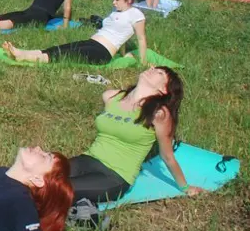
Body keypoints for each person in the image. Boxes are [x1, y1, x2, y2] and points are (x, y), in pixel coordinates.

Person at [66, 67, 200, 204]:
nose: (152, 69)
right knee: (44, 176)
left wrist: (185, 187)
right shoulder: (111, 97)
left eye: (159, 73)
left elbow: (167, 156)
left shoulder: (159, 113)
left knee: (58, 188)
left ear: (164, 89)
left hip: (114, 175)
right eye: (154, 67)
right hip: (86, 160)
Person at [3, 0, 147, 65]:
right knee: (58, 48)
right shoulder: (116, 12)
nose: (113, 3)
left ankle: (23, 57)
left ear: (128, 0)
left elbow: (140, 38)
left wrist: (143, 62)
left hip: (103, 52)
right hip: (92, 42)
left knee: (64, 55)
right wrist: (123, 53)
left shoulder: (136, 14)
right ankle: (24, 52)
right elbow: (121, 35)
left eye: (116, 0)